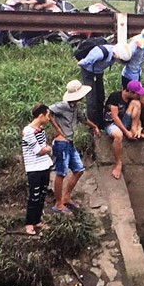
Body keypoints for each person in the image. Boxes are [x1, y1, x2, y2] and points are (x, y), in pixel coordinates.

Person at [49, 80, 99, 214]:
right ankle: (58, 203)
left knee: (79, 169)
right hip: (61, 143)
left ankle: (66, 197)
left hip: (69, 143)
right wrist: (56, 128)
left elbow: (82, 118)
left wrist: (94, 126)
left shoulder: (75, 107)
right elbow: (47, 112)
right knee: (61, 173)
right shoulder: (62, 106)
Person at [77, 42, 132, 130]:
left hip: (98, 72)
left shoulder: (115, 53)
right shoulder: (100, 53)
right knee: (91, 100)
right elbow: (83, 62)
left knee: (100, 97)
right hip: (89, 72)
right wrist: (83, 63)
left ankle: (100, 122)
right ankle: (93, 126)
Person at [103, 81, 144, 179]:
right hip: (111, 123)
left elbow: (137, 115)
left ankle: (134, 130)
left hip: (123, 122)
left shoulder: (132, 100)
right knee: (118, 135)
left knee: (136, 103)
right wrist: (126, 132)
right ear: (131, 92)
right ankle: (118, 163)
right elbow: (115, 117)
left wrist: (140, 128)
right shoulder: (115, 97)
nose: (139, 95)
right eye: (137, 93)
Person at [21, 104, 54, 234]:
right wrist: (48, 149)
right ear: (41, 116)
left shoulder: (40, 130)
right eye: (47, 115)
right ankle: (29, 223)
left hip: (44, 165)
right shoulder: (28, 131)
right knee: (34, 196)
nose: (49, 118)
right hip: (34, 167)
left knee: (42, 195)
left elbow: (43, 146)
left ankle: (37, 221)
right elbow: (39, 150)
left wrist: (46, 149)